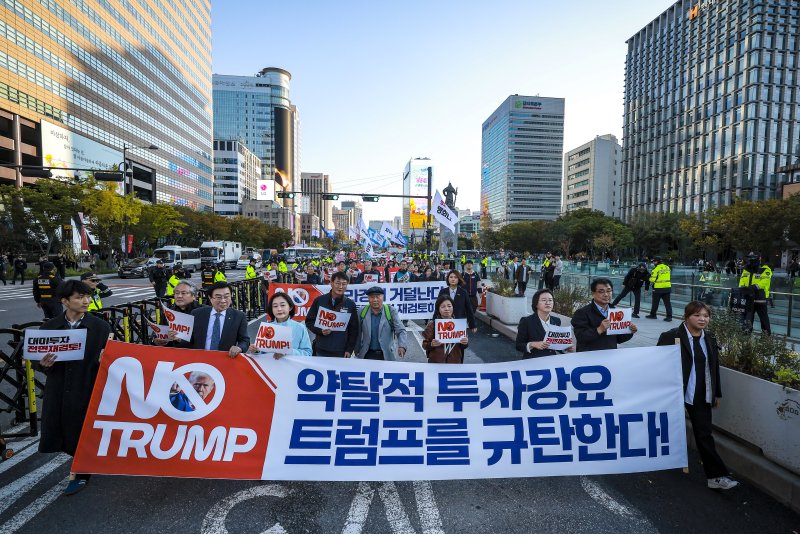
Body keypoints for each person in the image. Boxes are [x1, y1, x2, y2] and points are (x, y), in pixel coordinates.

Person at [37, 280, 112, 495]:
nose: (86, 301)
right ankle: (82, 463)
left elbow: (111, 360)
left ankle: (81, 472)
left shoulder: (100, 327)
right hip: (58, 388)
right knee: (61, 430)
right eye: (80, 297)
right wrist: (43, 364)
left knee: (83, 430)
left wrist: (104, 360)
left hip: (86, 386)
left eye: (88, 296)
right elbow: (36, 360)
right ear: (64, 301)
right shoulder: (49, 327)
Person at [657, 301, 739, 491]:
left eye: (706, 315)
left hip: (701, 394)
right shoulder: (671, 336)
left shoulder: (709, 338)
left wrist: (716, 393)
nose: (702, 319)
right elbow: (657, 365)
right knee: (665, 430)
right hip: (675, 393)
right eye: (697, 315)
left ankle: (715, 476)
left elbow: (714, 367)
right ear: (686, 317)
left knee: (704, 434)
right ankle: (661, 461)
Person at [171, 282, 250, 357]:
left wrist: (240, 347)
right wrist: (179, 339)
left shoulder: (239, 316)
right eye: (218, 297)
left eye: (226, 296)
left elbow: (245, 340)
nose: (223, 300)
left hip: (225, 360)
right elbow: (190, 339)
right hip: (200, 360)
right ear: (210, 298)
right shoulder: (197, 313)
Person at [572, 278, 638, 352]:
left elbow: (619, 339)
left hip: (609, 355)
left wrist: (629, 331)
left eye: (609, 291)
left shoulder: (616, 312)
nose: (606, 295)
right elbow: (580, 337)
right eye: (601, 292)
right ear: (593, 294)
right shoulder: (582, 312)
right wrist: (599, 329)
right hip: (589, 356)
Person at [305, 271, 360, 357]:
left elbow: (354, 329)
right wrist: (320, 331)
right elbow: (309, 321)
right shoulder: (319, 300)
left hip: (341, 351)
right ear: (331, 283)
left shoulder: (350, 304)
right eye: (338, 283)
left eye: (344, 284)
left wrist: (349, 349)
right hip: (321, 349)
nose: (340, 287)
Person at [247, 291, 312, 358]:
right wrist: (256, 351)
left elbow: (308, 353)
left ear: (290, 307)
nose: (279, 309)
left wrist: (288, 352)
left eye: (283, 305)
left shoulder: (300, 328)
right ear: (271, 309)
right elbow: (261, 352)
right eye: (275, 306)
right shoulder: (267, 328)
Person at [516, 288, 575, 358]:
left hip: (551, 361)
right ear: (536, 304)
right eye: (544, 300)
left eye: (550, 300)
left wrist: (565, 348)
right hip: (532, 361)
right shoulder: (526, 321)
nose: (548, 303)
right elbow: (518, 345)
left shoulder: (556, 321)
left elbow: (555, 344)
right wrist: (532, 344)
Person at [354, 286, 408, 360]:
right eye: (372, 297)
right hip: (366, 354)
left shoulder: (391, 311)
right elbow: (357, 333)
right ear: (368, 299)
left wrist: (402, 346)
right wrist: (356, 350)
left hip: (386, 354)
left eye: (378, 296)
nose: (375, 300)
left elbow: (401, 330)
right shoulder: (361, 311)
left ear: (383, 297)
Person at [422, 294, 468, 363]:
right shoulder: (432, 324)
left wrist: (465, 343)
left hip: (455, 362)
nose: (446, 309)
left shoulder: (459, 324)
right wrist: (431, 344)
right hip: (436, 363)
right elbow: (425, 345)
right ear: (438, 309)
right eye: (443, 307)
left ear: (453, 307)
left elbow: (463, 346)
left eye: (449, 306)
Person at [739, 252, 772, 334]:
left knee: (764, 319)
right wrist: (741, 289)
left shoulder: (765, 269)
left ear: (759, 258)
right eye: (750, 257)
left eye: (754, 257)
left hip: (760, 298)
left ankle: (766, 338)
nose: (751, 259)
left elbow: (765, 282)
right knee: (747, 319)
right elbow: (741, 281)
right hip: (748, 298)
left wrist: (753, 287)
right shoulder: (746, 269)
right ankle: (746, 336)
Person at [645, 256, 673, 321]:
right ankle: (669, 317)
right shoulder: (667, 267)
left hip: (658, 288)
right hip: (667, 287)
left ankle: (653, 315)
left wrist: (648, 278)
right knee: (667, 303)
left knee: (655, 302)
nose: (653, 262)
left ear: (657, 262)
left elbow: (652, 279)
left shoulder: (656, 269)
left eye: (654, 261)